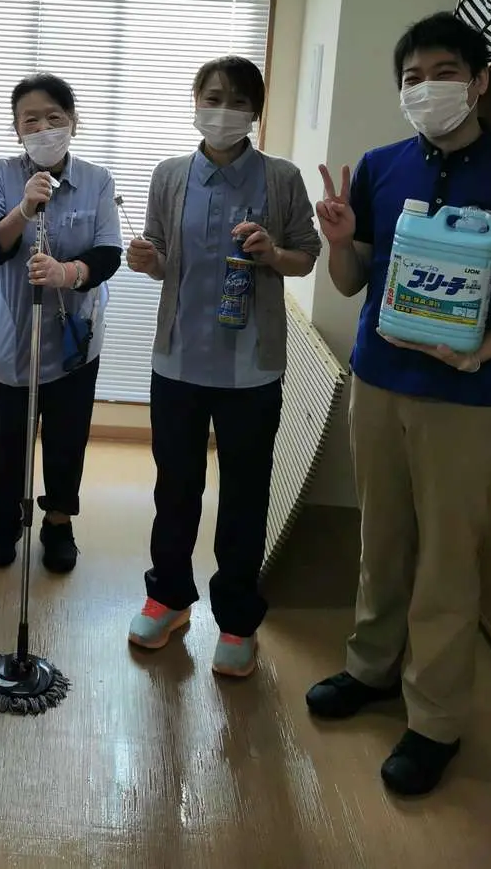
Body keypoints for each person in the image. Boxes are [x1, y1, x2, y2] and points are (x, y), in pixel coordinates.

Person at [307, 12, 491, 796]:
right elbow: (353, 281)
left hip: (466, 397)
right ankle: (371, 667)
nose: (427, 88)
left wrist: (484, 349)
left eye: (444, 72)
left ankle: (436, 719)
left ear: (479, 81)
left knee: (448, 557)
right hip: (379, 381)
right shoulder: (380, 167)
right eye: (412, 77)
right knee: (381, 538)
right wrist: (339, 240)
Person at [125, 56, 320, 677]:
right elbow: (162, 260)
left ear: (255, 112)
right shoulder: (169, 175)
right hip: (179, 361)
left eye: (237, 101)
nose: (223, 110)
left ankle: (237, 620)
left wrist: (273, 253)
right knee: (175, 488)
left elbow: (306, 255)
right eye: (212, 97)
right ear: (194, 102)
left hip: (250, 371)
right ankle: (168, 598)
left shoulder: (281, 178)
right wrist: (147, 261)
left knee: (245, 495)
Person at [0, 74, 122, 573]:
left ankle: (58, 522)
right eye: (30, 120)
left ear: (73, 122)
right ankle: (4, 521)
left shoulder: (98, 180)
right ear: (16, 128)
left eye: (54, 117)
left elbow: (108, 253)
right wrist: (23, 208)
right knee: (5, 441)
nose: (42, 128)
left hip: (74, 338)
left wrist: (66, 273)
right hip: (12, 335)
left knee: (66, 437)